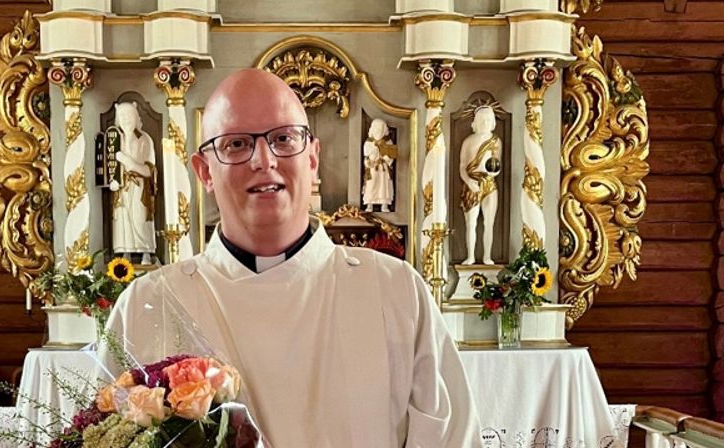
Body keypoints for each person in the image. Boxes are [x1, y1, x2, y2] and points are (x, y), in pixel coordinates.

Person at [104, 69, 481, 447]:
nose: (264, 160)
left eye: (283, 138)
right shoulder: (148, 304)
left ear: (312, 158)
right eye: (236, 144)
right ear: (205, 172)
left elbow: (451, 440)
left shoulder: (395, 291)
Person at [109, 102, 157, 265]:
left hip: (140, 186)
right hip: (122, 187)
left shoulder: (144, 139)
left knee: (140, 218)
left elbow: (149, 169)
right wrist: (112, 180)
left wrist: (128, 161)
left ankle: (146, 252)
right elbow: (110, 165)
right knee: (123, 219)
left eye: (129, 115)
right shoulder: (115, 139)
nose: (125, 119)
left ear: (136, 117)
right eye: (122, 116)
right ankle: (125, 252)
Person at [459, 106, 501, 265]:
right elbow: (462, 166)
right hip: (472, 184)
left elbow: (497, 163)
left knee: (489, 223)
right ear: (475, 123)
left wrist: (493, 171)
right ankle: (470, 256)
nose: (485, 123)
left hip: (489, 184)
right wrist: (468, 181)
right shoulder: (468, 141)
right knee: (471, 223)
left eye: (488, 120)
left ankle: (487, 256)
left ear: (493, 123)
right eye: (482, 120)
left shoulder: (495, 141)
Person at [362, 118, 396, 212]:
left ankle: (384, 205)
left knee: (383, 186)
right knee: (371, 184)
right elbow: (366, 155)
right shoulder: (368, 143)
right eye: (376, 128)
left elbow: (391, 156)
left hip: (383, 168)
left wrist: (385, 156)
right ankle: (369, 204)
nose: (378, 130)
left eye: (380, 128)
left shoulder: (388, 142)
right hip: (373, 167)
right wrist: (368, 161)